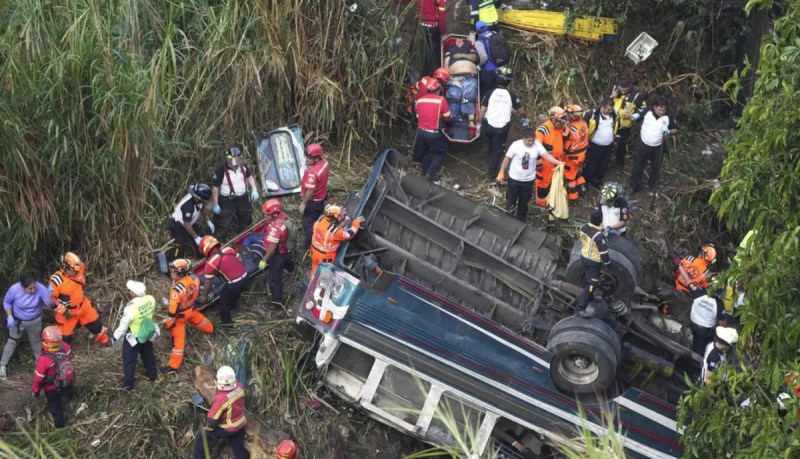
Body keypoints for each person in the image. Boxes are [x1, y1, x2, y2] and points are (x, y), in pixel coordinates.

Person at [495, 129, 563, 222]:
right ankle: (508, 217)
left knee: (524, 202)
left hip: (528, 180)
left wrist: (558, 162)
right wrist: (501, 172)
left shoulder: (537, 145)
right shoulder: (516, 145)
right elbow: (507, 159)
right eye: (529, 141)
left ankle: (521, 219)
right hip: (515, 179)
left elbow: (546, 156)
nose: (531, 143)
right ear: (524, 138)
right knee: (511, 199)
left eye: (533, 140)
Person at [161, 259, 214, 373]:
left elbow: (172, 312)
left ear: (180, 272)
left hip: (180, 317)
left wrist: (167, 324)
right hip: (192, 309)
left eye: (173, 271)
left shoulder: (176, 290)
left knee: (178, 343)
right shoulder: (194, 278)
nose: (171, 272)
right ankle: (211, 330)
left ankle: (173, 367)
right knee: (204, 323)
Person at [477, 66, 528, 181]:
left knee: (491, 143)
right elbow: (521, 111)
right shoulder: (511, 96)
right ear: (508, 81)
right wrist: (525, 118)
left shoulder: (490, 93)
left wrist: (479, 123)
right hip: (501, 129)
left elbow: (482, 110)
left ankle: (490, 157)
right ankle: (492, 174)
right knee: (497, 151)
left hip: (488, 126)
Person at [49, 252, 110, 346]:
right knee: (63, 339)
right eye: (74, 270)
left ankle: (106, 342)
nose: (77, 272)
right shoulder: (57, 280)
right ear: (66, 268)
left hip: (83, 306)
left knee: (97, 327)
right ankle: (63, 355)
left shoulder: (79, 270)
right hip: (66, 312)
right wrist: (63, 310)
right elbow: (50, 299)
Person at [1, 274, 55, 380]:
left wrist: (50, 296)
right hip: (18, 321)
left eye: (34, 287)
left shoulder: (39, 288)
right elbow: (7, 302)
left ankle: (40, 368)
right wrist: (10, 316)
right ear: (23, 287)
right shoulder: (14, 289)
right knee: (12, 342)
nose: (33, 290)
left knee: (36, 342)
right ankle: (2, 366)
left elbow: (50, 304)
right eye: (30, 288)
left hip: (34, 320)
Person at [192, 366, 247, 459]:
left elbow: (212, 420)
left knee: (201, 436)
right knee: (238, 449)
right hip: (240, 423)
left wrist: (209, 427)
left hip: (228, 428)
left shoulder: (221, 398)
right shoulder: (239, 386)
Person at [112, 280, 159, 390]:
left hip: (134, 337)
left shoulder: (130, 308)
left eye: (130, 291)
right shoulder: (151, 299)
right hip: (147, 332)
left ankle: (128, 384)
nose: (129, 292)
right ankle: (152, 375)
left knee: (129, 360)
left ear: (133, 293)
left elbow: (123, 325)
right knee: (148, 353)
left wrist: (115, 337)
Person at [629, 98, 678, 194]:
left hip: (658, 146)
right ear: (655, 107)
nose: (662, 112)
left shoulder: (669, 116)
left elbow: (675, 129)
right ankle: (634, 186)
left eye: (664, 110)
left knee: (656, 166)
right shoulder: (647, 110)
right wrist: (633, 116)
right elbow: (637, 116)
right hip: (643, 143)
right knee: (638, 164)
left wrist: (668, 131)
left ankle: (652, 184)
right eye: (659, 109)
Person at [211, 147, 260, 241]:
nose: (236, 163)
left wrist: (254, 189)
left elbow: (249, 177)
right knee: (223, 222)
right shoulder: (221, 171)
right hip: (227, 200)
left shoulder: (243, 166)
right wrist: (216, 204)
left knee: (246, 217)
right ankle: (220, 242)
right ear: (228, 159)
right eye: (234, 160)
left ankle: (243, 236)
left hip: (242, 198)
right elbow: (215, 189)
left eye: (238, 159)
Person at [199, 236, 248, 325]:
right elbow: (240, 260)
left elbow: (208, 282)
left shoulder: (210, 262)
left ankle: (227, 325)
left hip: (234, 283)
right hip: (245, 276)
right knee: (235, 292)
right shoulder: (229, 249)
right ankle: (233, 307)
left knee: (223, 303)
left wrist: (205, 296)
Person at [32, 326, 74, 428]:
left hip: (52, 388)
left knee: (56, 408)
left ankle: (60, 427)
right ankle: (71, 403)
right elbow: (70, 357)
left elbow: (38, 378)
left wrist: (35, 390)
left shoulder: (43, 359)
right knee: (68, 393)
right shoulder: (65, 346)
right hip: (67, 380)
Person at [258, 199, 295, 310]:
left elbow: (272, 247)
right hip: (283, 249)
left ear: (274, 214)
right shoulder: (282, 216)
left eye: (267, 215)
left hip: (277, 253)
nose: (265, 217)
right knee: (285, 261)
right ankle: (291, 266)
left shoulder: (275, 228)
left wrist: (264, 260)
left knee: (274, 279)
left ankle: (277, 302)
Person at [413, 78, 451, 181]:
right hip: (433, 133)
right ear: (438, 89)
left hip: (421, 132)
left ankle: (426, 170)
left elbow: (418, 116)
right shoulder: (441, 100)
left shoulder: (419, 100)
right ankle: (430, 173)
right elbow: (447, 117)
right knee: (441, 151)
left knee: (425, 150)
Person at [310, 205, 365, 277]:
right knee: (323, 273)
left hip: (314, 251)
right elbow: (349, 235)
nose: (342, 216)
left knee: (315, 267)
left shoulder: (321, 220)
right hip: (325, 257)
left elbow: (330, 226)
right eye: (340, 215)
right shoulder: (334, 231)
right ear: (334, 217)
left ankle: (312, 278)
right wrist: (356, 223)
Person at [575, 208, 610, 314]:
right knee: (592, 284)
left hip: (584, 257)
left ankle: (590, 297)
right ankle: (580, 308)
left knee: (587, 279)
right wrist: (608, 263)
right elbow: (603, 253)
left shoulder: (584, 227)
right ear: (601, 220)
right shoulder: (599, 236)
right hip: (593, 261)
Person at [534, 107, 569, 207]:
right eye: (560, 121)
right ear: (553, 119)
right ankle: (541, 204)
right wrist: (538, 163)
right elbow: (536, 147)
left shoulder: (560, 128)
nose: (562, 124)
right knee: (543, 184)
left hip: (557, 162)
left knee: (553, 183)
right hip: (545, 165)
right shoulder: (542, 130)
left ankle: (550, 200)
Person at [168, 183, 214, 259]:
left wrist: (208, 220)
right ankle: (175, 261)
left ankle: (202, 257)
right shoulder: (188, 206)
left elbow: (202, 208)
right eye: (202, 201)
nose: (203, 202)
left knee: (202, 239)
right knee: (179, 246)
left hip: (189, 223)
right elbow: (186, 224)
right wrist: (196, 238)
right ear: (198, 198)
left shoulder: (199, 200)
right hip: (179, 225)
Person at [608, 79, 645, 168]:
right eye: (621, 89)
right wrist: (611, 97)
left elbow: (643, 110)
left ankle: (619, 166)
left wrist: (632, 116)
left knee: (621, 146)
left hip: (623, 127)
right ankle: (605, 163)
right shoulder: (614, 89)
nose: (623, 91)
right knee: (607, 143)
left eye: (625, 90)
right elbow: (604, 103)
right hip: (610, 123)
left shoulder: (636, 95)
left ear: (630, 86)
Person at [299, 143, 330, 251]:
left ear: (316, 158)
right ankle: (319, 237)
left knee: (308, 224)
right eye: (306, 156)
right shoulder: (324, 162)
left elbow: (310, 191)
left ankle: (308, 245)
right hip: (321, 198)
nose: (307, 159)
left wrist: (303, 204)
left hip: (313, 202)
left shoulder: (313, 173)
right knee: (318, 220)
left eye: (309, 158)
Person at [582, 99, 619, 188]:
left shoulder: (614, 115)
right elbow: (582, 126)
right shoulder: (592, 115)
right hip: (595, 145)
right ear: (602, 107)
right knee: (591, 164)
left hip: (608, 146)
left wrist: (614, 140)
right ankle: (585, 181)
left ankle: (597, 181)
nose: (610, 111)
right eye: (608, 110)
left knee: (603, 165)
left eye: (611, 109)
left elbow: (615, 127)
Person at [689, 286, 729, 356]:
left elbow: (688, 282)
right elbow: (722, 323)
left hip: (691, 324)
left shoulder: (698, 292)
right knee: (699, 353)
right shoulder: (719, 304)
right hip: (704, 333)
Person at [563, 104, 589, 201]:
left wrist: (563, 151)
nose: (566, 116)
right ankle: (582, 187)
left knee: (570, 177)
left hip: (572, 156)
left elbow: (567, 143)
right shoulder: (583, 123)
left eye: (568, 114)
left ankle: (573, 196)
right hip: (582, 153)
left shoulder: (570, 128)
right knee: (576, 171)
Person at [418, 0, 447, 76]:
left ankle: (424, 76)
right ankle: (435, 76)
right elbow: (442, 13)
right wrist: (443, 30)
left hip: (421, 26)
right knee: (435, 55)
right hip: (433, 27)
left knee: (424, 54)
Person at [475, 21, 505, 95]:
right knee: (497, 91)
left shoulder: (479, 42)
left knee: (487, 92)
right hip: (500, 68)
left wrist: (479, 66)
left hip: (488, 70)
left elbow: (484, 57)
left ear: (477, 31)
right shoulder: (495, 34)